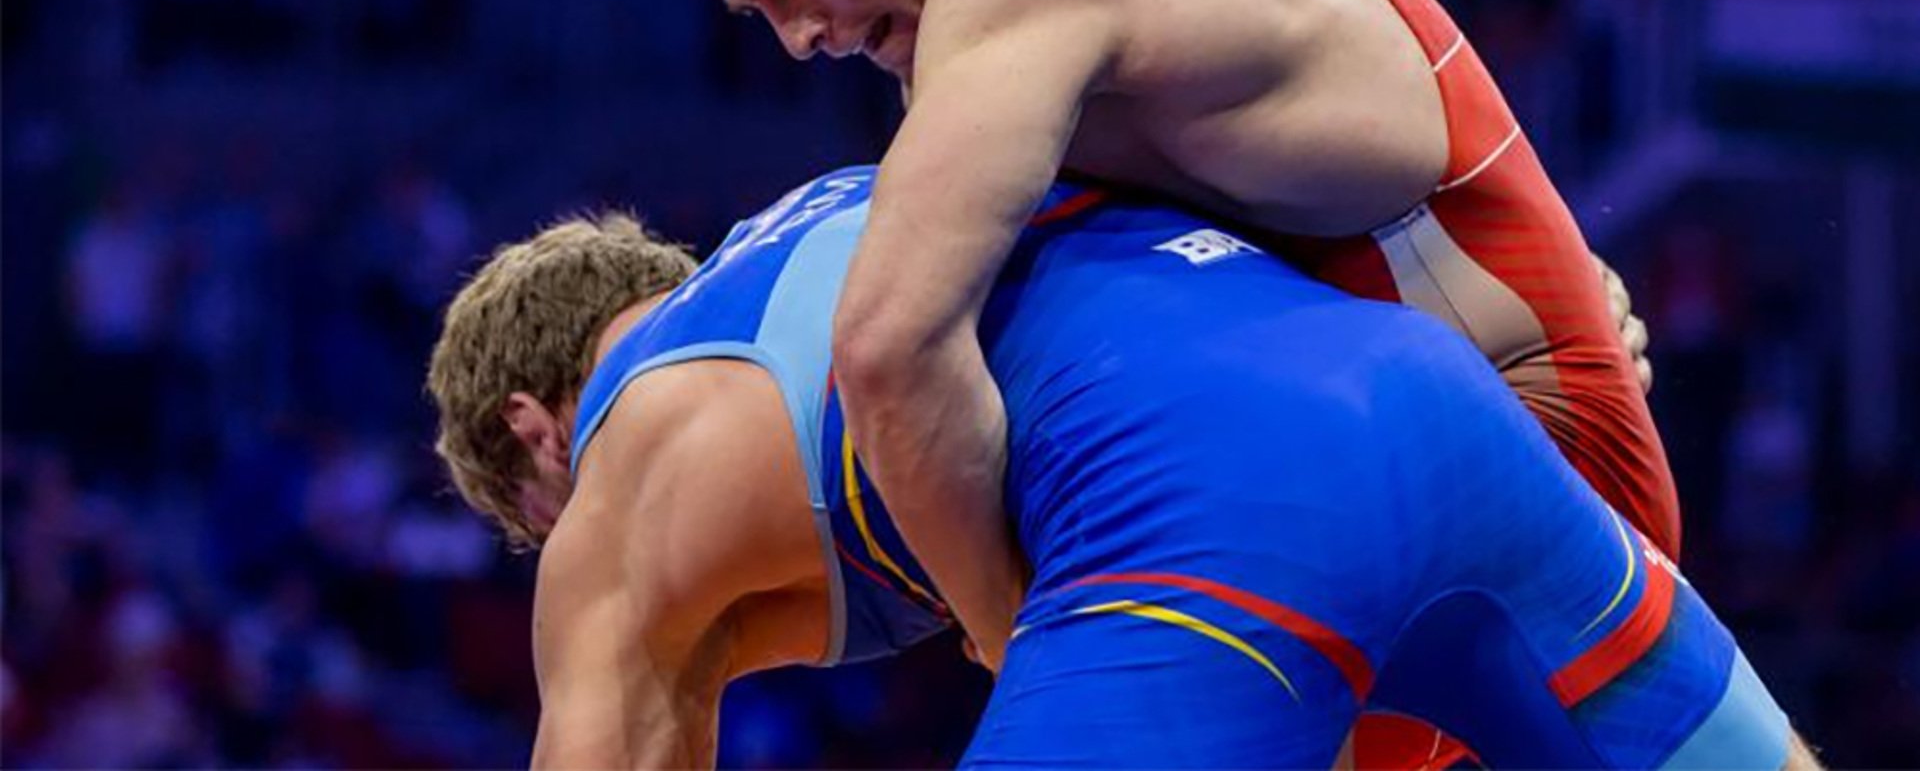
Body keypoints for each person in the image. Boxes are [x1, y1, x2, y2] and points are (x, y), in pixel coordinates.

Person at [641, 0, 1681, 688]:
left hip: (1525, 444)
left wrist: (1009, 632)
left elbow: (889, 347)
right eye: (760, 8)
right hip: (1428, 438)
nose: (799, 37)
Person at [426, 169, 1814, 769]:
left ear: (538, 431)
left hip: (1221, 511)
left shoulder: (625, 473)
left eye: (534, 525)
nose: (558, 551)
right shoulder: (878, 200)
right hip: (1439, 403)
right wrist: (1553, 304)